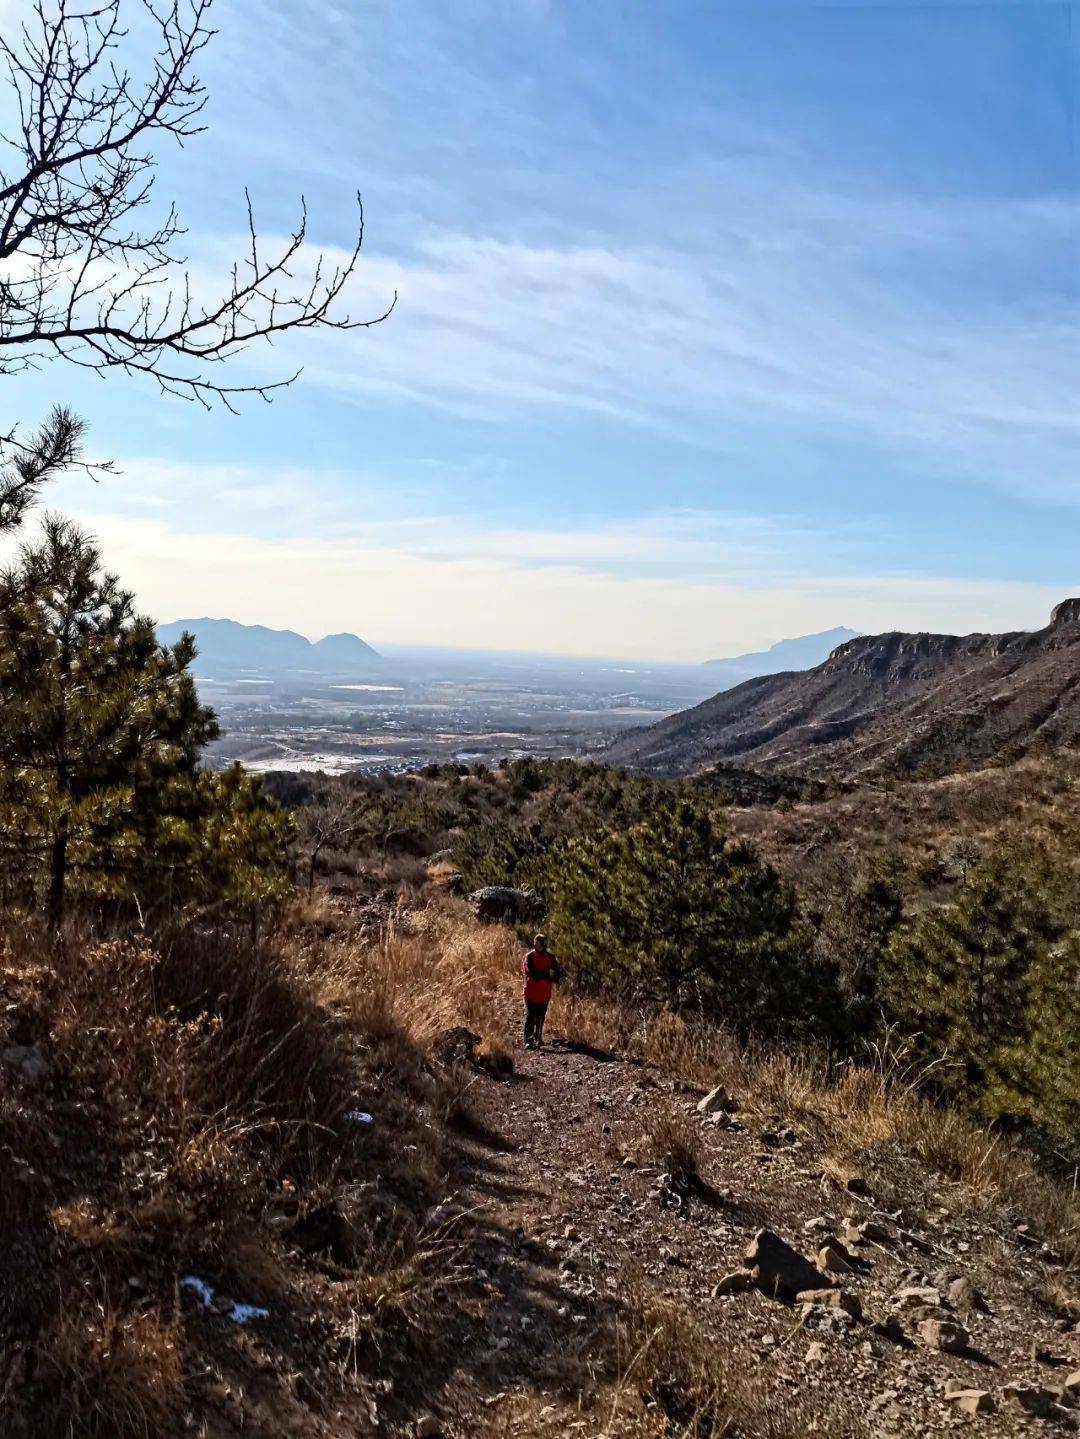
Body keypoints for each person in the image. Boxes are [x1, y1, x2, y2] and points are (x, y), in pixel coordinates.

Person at [522, 933, 561, 1049]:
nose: (535, 946)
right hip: (531, 991)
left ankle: (538, 1037)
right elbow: (533, 974)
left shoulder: (551, 957)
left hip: (544, 993)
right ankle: (528, 1040)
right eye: (535, 944)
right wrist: (547, 973)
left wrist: (548, 974)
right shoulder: (529, 957)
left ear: (543, 945)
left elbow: (557, 975)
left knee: (541, 1016)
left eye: (538, 944)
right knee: (530, 1015)